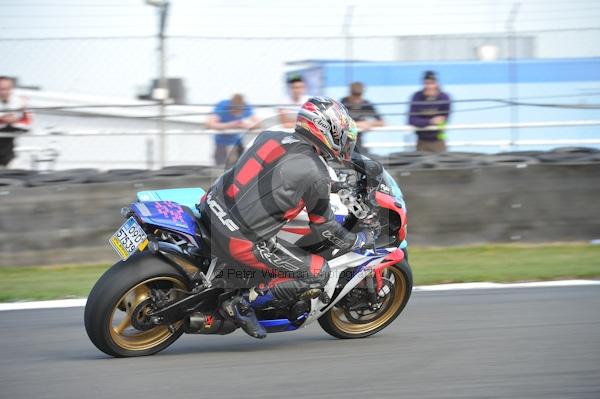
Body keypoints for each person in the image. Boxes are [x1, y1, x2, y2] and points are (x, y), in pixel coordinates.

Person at [199, 97, 379, 339]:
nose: (345, 141)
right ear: (328, 130)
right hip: (239, 240)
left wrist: (331, 187)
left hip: (210, 206)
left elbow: (276, 176)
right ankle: (241, 303)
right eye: (343, 135)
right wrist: (358, 240)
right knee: (317, 272)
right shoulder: (315, 172)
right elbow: (324, 228)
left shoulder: (270, 136)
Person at [205, 94, 259, 166]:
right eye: (235, 109)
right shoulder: (222, 106)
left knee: (240, 164)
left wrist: (245, 125)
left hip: (237, 141)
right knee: (220, 165)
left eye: (240, 110)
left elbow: (258, 123)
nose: (237, 112)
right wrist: (231, 124)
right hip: (220, 141)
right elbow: (210, 124)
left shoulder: (246, 107)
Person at [408, 71, 451, 153]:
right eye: (426, 83)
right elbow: (412, 120)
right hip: (421, 140)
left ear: (436, 84)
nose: (429, 86)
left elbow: (443, 120)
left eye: (431, 83)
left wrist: (422, 121)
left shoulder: (444, 98)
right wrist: (431, 121)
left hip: (438, 141)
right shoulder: (416, 97)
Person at [341, 82, 384, 154]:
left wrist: (368, 123)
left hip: (357, 140)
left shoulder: (366, 103)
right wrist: (358, 124)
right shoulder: (343, 102)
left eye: (359, 94)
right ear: (350, 93)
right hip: (343, 140)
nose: (356, 98)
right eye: (354, 94)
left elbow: (381, 122)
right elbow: (338, 121)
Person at [0, 76, 31, 168]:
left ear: (11, 89)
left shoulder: (19, 102)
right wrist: (4, 120)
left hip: (8, 153)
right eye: (1, 89)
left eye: (6, 89)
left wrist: (15, 121)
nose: (3, 92)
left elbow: (28, 125)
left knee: (15, 171)